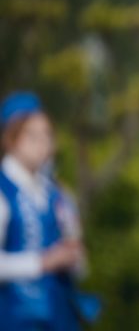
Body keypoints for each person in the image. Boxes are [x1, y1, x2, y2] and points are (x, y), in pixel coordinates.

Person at [0, 91, 99, 330]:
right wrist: (44, 262)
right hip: (15, 319)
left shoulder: (57, 193)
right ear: (11, 138)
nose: (43, 143)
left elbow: (80, 265)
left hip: (59, 317)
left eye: (47, 135)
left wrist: (72, 255)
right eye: (32, 135)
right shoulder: (3, 190)